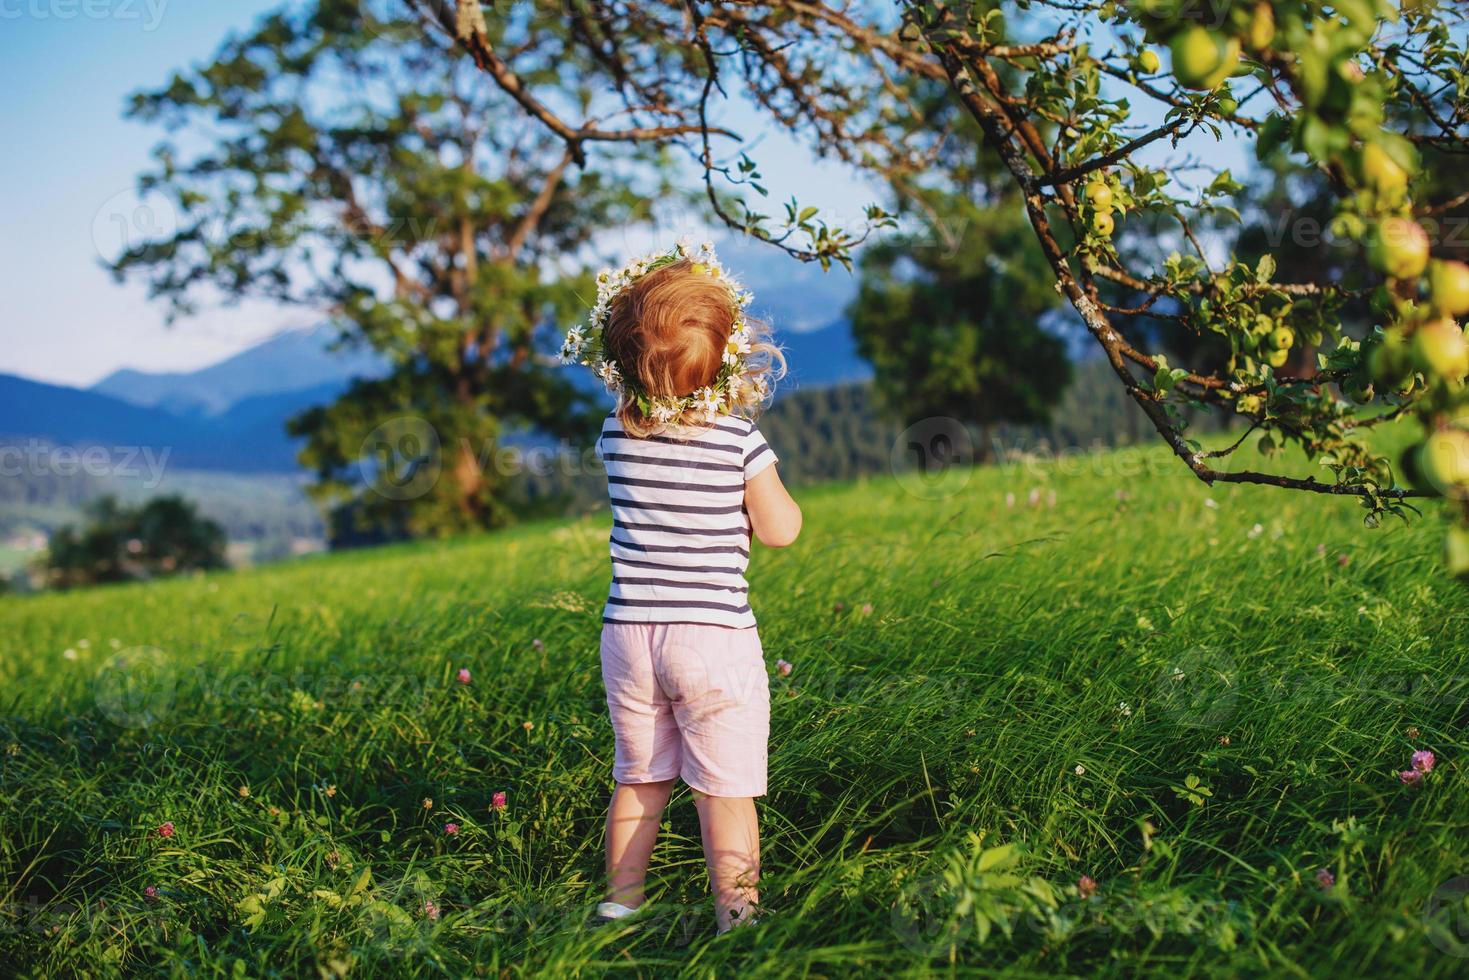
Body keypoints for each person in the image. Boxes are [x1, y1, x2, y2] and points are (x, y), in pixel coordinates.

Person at [560, 241, 802, 934]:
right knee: (722, 789)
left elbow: (642, 390)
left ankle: (620, 903)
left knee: (639, 778)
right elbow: (780, 529)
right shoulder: (738, 442)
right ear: (729, 357)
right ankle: (737, 915)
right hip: (711, 637)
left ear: (620, 366)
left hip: (629, 636)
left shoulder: (616, 435)